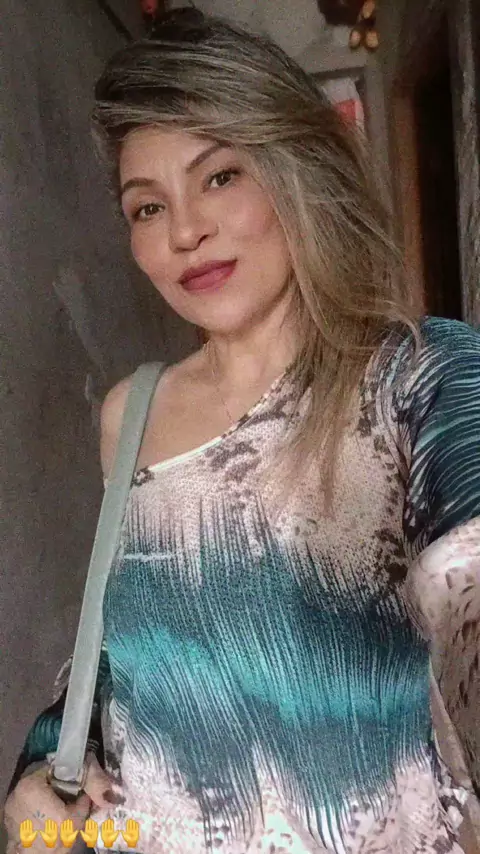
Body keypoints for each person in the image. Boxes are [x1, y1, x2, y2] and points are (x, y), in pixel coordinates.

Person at [4, 7, 480, 854]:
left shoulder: (422, 375)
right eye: (147, 207)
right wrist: (41, 773)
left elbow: (466, 576)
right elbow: (121, 656)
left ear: (296, 169)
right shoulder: (131, 413)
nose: (185, 231)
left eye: (220, 176)